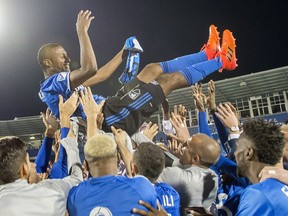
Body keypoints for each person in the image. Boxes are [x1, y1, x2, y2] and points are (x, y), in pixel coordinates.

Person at [38, 10, 237, 136]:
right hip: (114, 119)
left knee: (152, 69)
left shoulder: (64, 84)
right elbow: (89, 68)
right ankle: (222, 60)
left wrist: (123, 52)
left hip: (112, 105)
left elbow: (99, 75)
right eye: (62, 56)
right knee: (166, 82)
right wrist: (82, 32)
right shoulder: (51, 85)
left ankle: (206, 54)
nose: (67, 60)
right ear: (48, 62)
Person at [67, 87, 158, 215]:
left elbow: (95, 153)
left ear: (85, 165)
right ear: (119, 158)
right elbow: (133, 167)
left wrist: (90, 118)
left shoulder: (75, 195)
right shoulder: (143, 188)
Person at [0, 92, 83, 215]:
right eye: (29, 162)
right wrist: (65, 118)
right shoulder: (50, 193)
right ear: (23, 170)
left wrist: (50, 134)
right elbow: (76, 178)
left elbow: (38, 168)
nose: (34, 165)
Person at [158, 113, 220, 215]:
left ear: (195, 158)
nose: (182, 148)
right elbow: (177, 163)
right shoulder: (213, 176)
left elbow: (148, 171)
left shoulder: (177, 175)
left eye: (186, 147)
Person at [234, 119, 288, 215]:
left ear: (248, 153)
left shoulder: (258, 194)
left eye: (237, 147)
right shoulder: (283, 184)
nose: (235, 153)